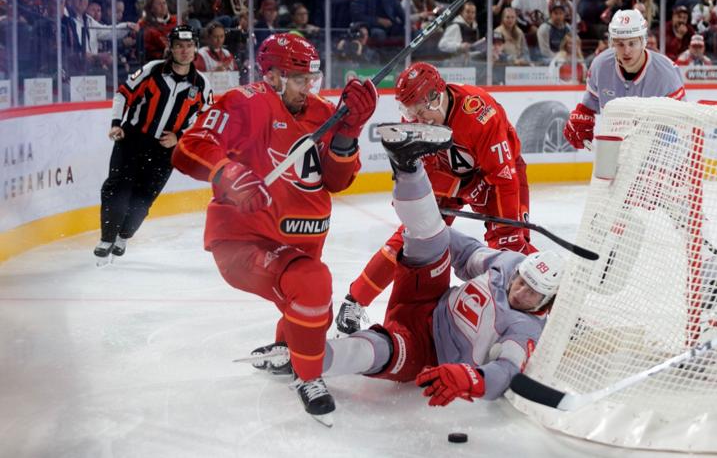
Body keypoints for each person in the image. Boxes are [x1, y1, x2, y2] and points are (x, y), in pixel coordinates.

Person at [250, 123, 563, 409]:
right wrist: (425, 221)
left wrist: (471, 379)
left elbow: (506, 372)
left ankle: (303, 359)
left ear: (545, 302)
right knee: (433, 234)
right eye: (523, 281)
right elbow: (464, 252)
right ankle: (407, 165)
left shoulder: (525, 328)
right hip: (428, 296)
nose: (520, 291)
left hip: (423, 348)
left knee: (377, 351)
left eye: (532, 293)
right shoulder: (510, 264)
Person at [170, 33, 377, 424]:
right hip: (244, 241)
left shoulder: (322, 112)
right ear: (273, 76)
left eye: (311, 78)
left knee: (315, 310)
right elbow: (189, 147)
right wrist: (226, 171)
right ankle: (308, 377)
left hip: (297, 247)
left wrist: (348, 133)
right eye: (299, 79)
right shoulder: (244, 103)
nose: (307, 87)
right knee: (312, 284)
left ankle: (287, 350)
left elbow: (337, 181)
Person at [336, 61, 535, 336]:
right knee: (413, 236)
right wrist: (420, 197)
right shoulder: (414, 124)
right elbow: (425, 174)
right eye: (409, 111)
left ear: (435, 96)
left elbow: (504, 178)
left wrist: (508, 231)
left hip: (498, 178)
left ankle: (554, 307)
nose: (415, 119)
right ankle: (355, 300)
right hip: (452, 180)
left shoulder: (479, 113)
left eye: (419, 109)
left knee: (511, 249)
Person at [94, 25, 212, 264]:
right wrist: (116, 123)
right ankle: (106, 238)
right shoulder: (152, 70)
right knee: (117, 188)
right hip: (131, 141)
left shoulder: (202, 84)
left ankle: (124, 235)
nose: (185, 50)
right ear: (171, 48)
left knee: (143, 198)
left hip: (165, 151)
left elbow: (205, 120)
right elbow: (123, 94)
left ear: (196, 48)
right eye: (179, 46)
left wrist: (180, 137)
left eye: (189, 46)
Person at [563, 9, 685, 150]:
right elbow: (591, 102)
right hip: (614, 150)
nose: (626, 51)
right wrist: (582, 118)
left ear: (643, 41)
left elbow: (681, 121)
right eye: (620, 44)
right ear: (612, 43)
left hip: (656, 153)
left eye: (632, 43)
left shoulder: (666, 73)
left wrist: (665, 138)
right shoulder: (601, 65)